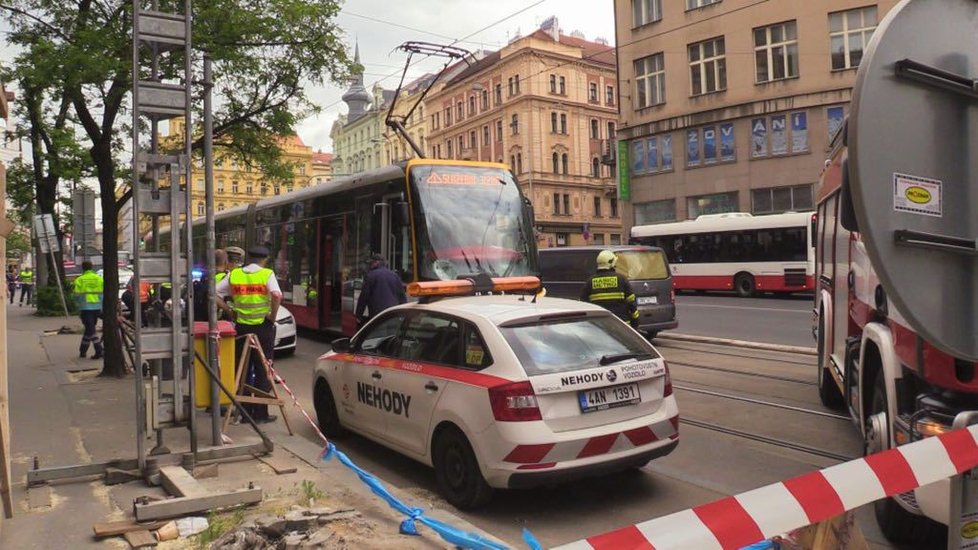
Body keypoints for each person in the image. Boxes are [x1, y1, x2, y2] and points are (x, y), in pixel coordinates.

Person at [216, 246, 281, 424]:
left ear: (249, 258)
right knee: (263, 369)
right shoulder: (267, 274)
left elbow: (212, 293)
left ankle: (244, 412)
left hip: (241, 328)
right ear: (265, 259)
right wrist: (272, 317)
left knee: (242, 368)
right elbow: (276, 295)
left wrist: (229, 311)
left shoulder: (235, 274)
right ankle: (260, 413)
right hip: (263, 328)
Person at [580, 250, 640, 329]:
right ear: (612, 263)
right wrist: (635, 323)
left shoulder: (590, 282)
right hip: (622, 326)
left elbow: (583, 305)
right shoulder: (621, 280)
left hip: (600, 327)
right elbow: (632, 304)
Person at [355, 253, 406, 326]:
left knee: (379, 335)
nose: (370, 265)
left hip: (378, 314)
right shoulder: (395, 276)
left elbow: (364, 297)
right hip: (393, 313)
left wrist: (358, 315)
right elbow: (402, 296)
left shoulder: (371, 276)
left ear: (377, 262)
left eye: (372, 263)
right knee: (391, 335)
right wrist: (403, 314)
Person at [72, 261, 105, 359]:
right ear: (92, 267)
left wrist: (77, 305)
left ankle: (99, 350)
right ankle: (82, 351)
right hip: (97, 307)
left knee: (91, 329)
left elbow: (76, 295)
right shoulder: (99, 279)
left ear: (83, 268)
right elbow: (103, 293)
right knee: (89, 329)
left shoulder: (80, 280)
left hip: (86, 308)